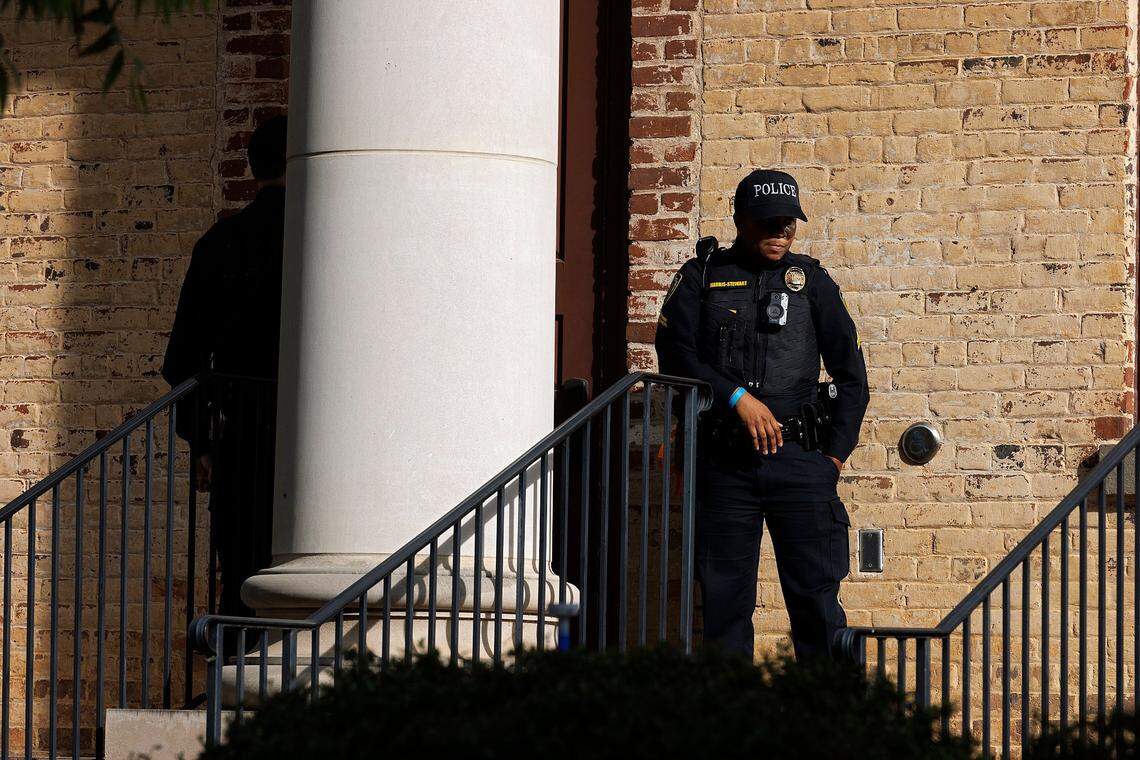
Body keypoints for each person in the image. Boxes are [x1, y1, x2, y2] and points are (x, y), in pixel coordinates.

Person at [654, 168, 870, 660]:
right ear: (740, 220)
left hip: (801, 461)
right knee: (725, 606)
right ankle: (736, 730)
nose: (780, 232)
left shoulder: (811, 281)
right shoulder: (702, 277)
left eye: (788, 222)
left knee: (817, 603)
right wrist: (736, 398)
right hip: (726, 464)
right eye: (768, 221)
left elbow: (851, 374)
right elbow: (676, 354)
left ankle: (832, 725)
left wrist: (833, 457)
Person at [162, 114, 288, 619]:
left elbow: (184, 357)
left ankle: (233, 663)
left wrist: (202, 443)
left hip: (238, 428)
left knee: (241, 563)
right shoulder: (325, 239)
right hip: (312, 426)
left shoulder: (219, 243)